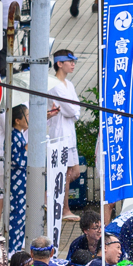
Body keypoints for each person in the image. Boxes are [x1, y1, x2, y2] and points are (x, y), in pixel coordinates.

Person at [48, 50, 81, 223]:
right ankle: (62, 208)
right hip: (59, 132)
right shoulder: (54, 84)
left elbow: (76, 109)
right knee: (64, 171)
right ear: (59, 63)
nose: (73, 64)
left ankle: (53, 200)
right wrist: (74, 111)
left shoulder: (69, 84)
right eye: (70, 61)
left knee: (74, 171)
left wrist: (74, 111)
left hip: (70, 132)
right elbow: (70, 109)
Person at [8, 105, 28, 253]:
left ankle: (16, 247)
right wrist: (26, 150)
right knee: (16, 216)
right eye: (26, 116)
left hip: (21, 183)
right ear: (17, 120)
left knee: (21, 217)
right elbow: (17, 160)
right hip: (17, 183)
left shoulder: (19, 134)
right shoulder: (13, 136)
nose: (29, 119)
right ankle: (12, 249)